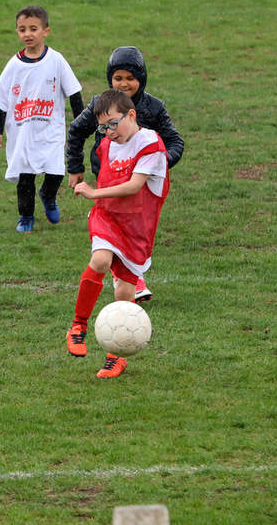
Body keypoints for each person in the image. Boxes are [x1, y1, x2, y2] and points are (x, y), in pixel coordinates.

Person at [65, 46, 183, 302]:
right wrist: (75, 168)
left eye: (130, 78)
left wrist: (156, 165)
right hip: (107, 178)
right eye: (118, 78)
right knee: (111, 221)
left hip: (139, 187)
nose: (124, 83)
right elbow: (76, 131)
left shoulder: (153, 107)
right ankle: (126, 274)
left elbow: (175, 142)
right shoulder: (100, 104)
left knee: (134, 227)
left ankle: (128, 271)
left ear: (142, 79)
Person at [66, 90, 169, 379]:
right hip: (107, 217)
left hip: (138, 229)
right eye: (103, 127)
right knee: (100, 260)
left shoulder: (151, 145)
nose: (109, 132)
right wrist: (95, 196)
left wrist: (93, 192)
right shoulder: (106, 145)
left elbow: (134, 186)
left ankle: (116, 357)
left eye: (113, 124)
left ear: (131, 115)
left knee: (124, 292)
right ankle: (78, 326)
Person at [0, 5, 84, 234]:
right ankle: (26, 216)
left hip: (51, 129)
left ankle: (49, 197)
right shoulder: (14, 65)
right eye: (22, 29)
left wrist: (81, 122)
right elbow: (1, 99)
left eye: (33, 28)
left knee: (55, 170)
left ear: (45, 31)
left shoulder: (56, 60)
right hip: (23, 132)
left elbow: (74, 92)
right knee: (26, 176)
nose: (27, 34)